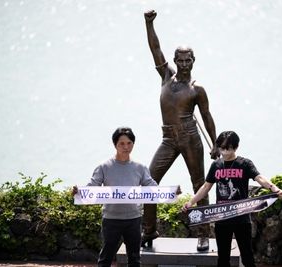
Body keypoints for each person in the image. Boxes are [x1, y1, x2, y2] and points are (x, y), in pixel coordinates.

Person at [142, 9, 220, 252]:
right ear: (175, 61)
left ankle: (203, 234)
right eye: (181, 60)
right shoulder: (166, 76)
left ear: (193, 61)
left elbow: (206, 116)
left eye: (188, 60)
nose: (184, 64)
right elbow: (155, 49)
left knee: (200, 185)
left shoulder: (198, 89)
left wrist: (215, 144)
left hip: (190, 138)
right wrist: (149, 24)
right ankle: (149, 229)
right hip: (168, 138)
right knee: (149, 183)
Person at [182, 131, 282, 267]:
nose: (224, 152)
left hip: (242, 218)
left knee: (247, 255)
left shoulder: (245, 164)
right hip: (222, 216)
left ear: (235, 147)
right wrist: (191, 202)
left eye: (227, 148)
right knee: (223, 258)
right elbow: (206, 187)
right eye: (221, 148)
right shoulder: (216, 165)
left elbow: (259, 178)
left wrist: (274, 188)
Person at [72, 127, 158, 267]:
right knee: (106, 259)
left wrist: (171, 192)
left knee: (135, 259)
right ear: (115, 145)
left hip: (134, 220)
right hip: (111, 220)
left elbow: (152, 186)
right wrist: (79, 192)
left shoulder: (140, 167)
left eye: (129, 143)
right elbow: (93, 186)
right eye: (122, 144)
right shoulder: (104, 167)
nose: (126, 147)